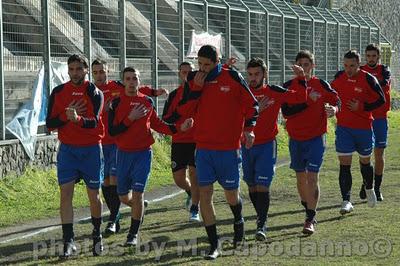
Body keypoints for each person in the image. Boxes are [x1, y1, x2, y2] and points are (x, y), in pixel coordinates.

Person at [176, 45, 259, 260]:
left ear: (217, 61)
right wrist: (196, 88)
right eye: (200, 64)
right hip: (203, 149)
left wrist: (249, 130)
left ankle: (238, 220)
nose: (202, 69)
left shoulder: (232, 77)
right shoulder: (194, 79)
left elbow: (253, 105)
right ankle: (214, 244)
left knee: (231, 195)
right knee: (205, 195)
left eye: (207, 65)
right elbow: (184, 111)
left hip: (229, 150)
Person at [108, 67, 192, 247]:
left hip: (143, 154)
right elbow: (113, 131)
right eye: (128, 79)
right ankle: (139, 209)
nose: (131, 82)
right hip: (122, 155)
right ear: (123, 82)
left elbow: (159, 125)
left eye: (134, 78)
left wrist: (179, 128)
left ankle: (132, 234)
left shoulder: (146, 102)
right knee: (123, 197)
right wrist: (130, 118)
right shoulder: (115, 103)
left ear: (139, 81)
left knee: (138, 194)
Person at [91, 59, 167, 235]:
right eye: (95, 73)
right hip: (100, 142)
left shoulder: (117, 86)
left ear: (108, 71)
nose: (99, 75)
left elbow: (138, 89)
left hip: (119, 143)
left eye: (102, 71)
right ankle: (132, 208)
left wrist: (154, 92)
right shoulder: (91, 91)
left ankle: (113, 220)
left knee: (115, 182)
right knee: (105, 182)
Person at [235, 57, 307, 240]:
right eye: (250, 74)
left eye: (256, 74)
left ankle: (262, 224)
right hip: (246, 145)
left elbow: (299, 97)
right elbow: (232, 117)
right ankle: (261, 218)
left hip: (267, 145)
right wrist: (256, 109)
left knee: (262, 185)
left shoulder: (273, 91)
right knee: (251, 186)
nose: (252, 78)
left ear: (264, 74)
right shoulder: (242, 92)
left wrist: (301, 79)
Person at [46, 54, 105, 258]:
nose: (74, 73)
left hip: (90, 150)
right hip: (68, 151)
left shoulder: (95, 92)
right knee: (65, 195)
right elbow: (50, 124)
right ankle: (69, 241)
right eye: (71, 69)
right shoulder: (59, 92)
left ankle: (96, 235)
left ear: (86, 70)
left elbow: (96, 122)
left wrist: (78, 119)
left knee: (94, 197)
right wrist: (65, 116)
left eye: (79, 69)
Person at [281, 50, 340, 234]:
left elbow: (336, 99)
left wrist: (334, 109)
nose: (304, 68)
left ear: (312, 66)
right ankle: (308, 207)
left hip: (316, 138)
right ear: (295, 67)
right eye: (300, 64)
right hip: (296, 139)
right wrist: (307, 102)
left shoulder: (320, 84)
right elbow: (287, 113)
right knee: (300, 180)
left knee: (312, 177)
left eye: (307, 65)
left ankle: (310, 218)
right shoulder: (288, 86)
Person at [331, 50, 385, 214]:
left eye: (352, 66)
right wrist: (331, 107)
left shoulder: (368, 78)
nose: (348, 69)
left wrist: (361, 107)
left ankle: (369, 188)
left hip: (364, 128)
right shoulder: (339, 77)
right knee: (344, 165)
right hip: (344, 128)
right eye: (346, 65)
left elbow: (381, 100)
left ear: (359, 64)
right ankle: (346, 201)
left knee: (365, 163)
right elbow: (331, 95)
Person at [162, 61, 200, 222]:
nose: (186, 74)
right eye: (183, 72)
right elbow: (166, 118)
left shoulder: (200, 92)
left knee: (194, 173)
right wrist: (180, 124)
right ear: (179, 73)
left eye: (189, 72)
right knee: (178, 178)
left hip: (196, 140)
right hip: (179, 140)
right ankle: (192, 192)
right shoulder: (174, 95)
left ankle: (195, 209)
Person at [359, 44, 391, 201]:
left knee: (379, 153)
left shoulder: (384, 70)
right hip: (365, 118)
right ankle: (366, 183)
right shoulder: (360, 71)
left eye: (374, 56)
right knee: (365, 154)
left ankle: (377, 188)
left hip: (380, 119)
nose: (371, 58)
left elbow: (383, 82)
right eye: (368, 56)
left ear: (378, 57)